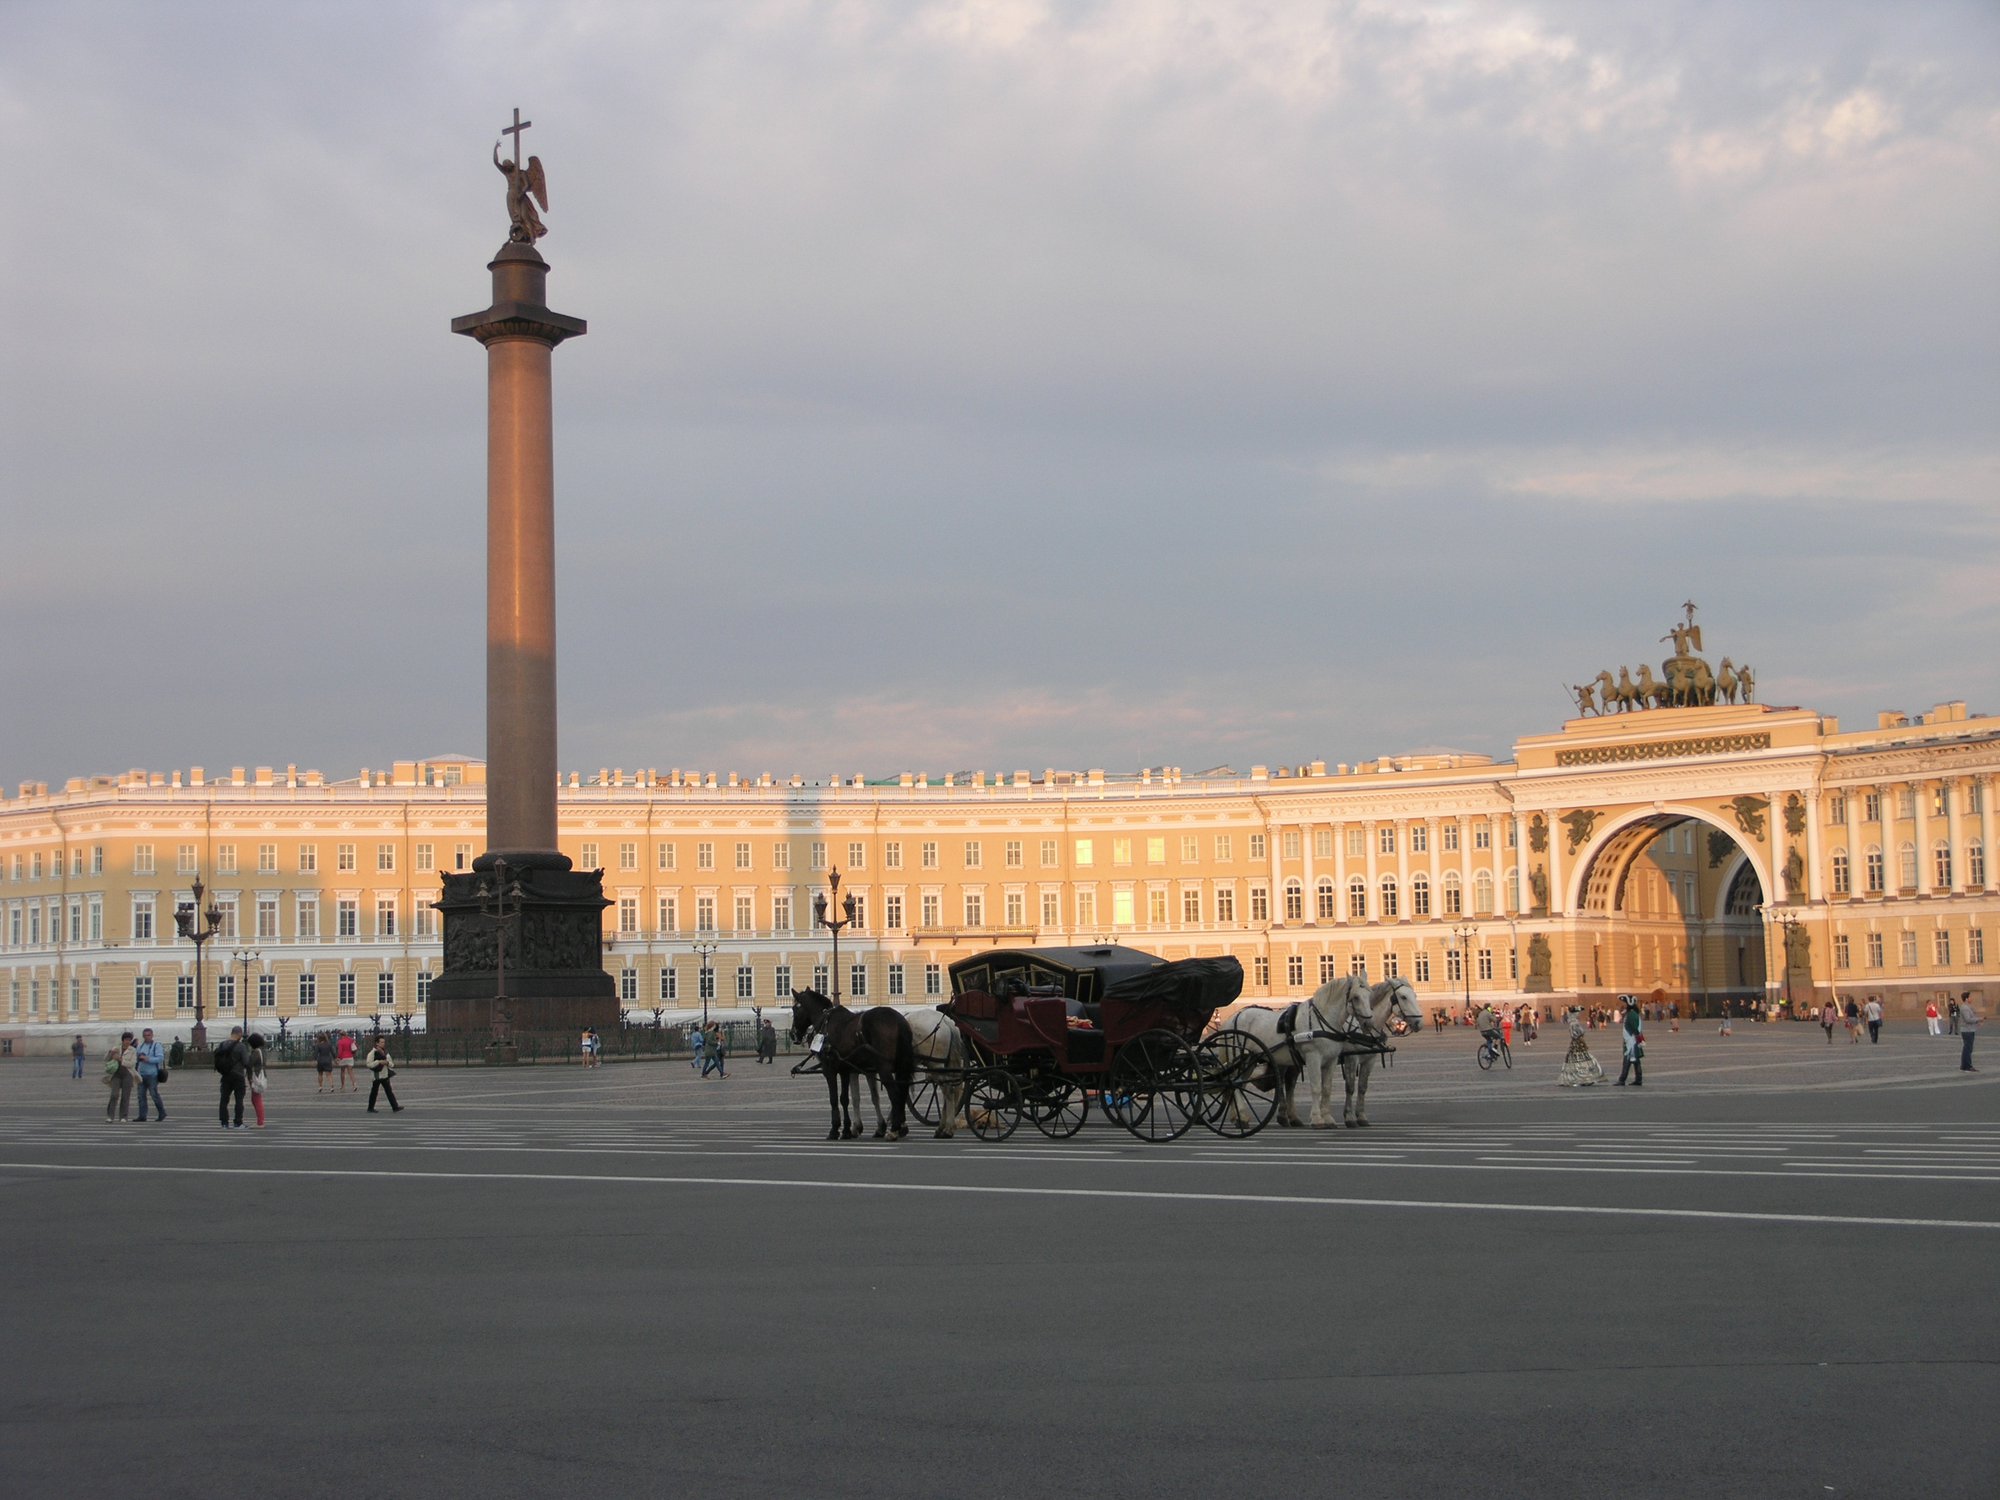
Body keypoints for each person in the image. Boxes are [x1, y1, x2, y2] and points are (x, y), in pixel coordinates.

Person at [1557, 1007, 1602, 1087]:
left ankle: (1584, 1078)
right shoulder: (1574, 1022)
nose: (1579, 1014)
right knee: (1579, 1060)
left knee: (1581, 1060)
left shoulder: (1573, 1022)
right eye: (1577, 1012)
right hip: (1577, 1043)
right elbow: (1575, 1033)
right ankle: (1579, 1078)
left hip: (1577, 1043)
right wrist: (1581, 1033)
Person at [215, 1026, 250, 1129]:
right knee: (239, 1099)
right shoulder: (241, 1046)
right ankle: (238, 1122)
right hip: (238, 1076)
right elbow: (246, 1062)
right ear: (239, 1034)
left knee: (224, 1099)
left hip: (225, 1075)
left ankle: (224, 1122)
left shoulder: (222, 1045)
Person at [134, 1027, 167, 1123]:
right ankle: (142, 1115)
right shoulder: (140, 1046)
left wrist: (148, 1059)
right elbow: (137, 1058)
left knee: (154, 1094)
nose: (146, 1037)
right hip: (141, 1074)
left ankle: (162, 1112)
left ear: (152, 1035)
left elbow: (160, 1058)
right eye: (145, 1035)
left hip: (152, 1074)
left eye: (148, 1035)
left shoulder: (156, 1045)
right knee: (141, 1096)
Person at [104, 1032, 137, 1122]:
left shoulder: (132, 1050)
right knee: (114, 1095)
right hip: (116, 1074)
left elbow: (132, 1063)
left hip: (128, 1074)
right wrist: (110, 1053)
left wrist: (122, 1060)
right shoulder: (116, 1048)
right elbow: (106, 1059)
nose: (128, 1041)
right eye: (126, 1040)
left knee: (125, 1096)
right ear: (123, 1040)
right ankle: (110, 1116)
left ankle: (123, 1116)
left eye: (129, 1040)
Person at [366, 1037, 403, 1112]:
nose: (383, 1044)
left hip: (385, 1075)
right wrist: (379, 1062)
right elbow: (369, 1064)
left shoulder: (386, 1053)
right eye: (381, 1042)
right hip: (377, 1076)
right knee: (374, 1092)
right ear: (377, 1043)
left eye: (384, 1042)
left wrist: (387, 1063)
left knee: (389, 1091)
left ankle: (395, 1107)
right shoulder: (372, 1053)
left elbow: (392, 1064)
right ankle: (370, 1107)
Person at [1615, 995, 1644, 1086]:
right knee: (1636, 1061)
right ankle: (1638, 1079)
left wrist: (1636, 1038)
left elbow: (1634, 1028)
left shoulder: (1631, 1014)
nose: (1624, 1005)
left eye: (1625, 1003)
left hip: (1631, 1041)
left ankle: (1622, 1079)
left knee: (1627, 1060)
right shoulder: (1632, 1013)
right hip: (1632, 1040)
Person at [247, 1033, 269, 1128]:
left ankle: (260, 1122)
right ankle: (260, 1120)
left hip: (256, 1075)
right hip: (261, 1074)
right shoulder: (263, 1050)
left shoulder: (256, 1052)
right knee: (255, 1098)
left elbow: (249, 1063)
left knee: (256, 1098)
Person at [1960, 992, 1981, 1073]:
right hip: (1967, 1030)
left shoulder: (1968, 1007)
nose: (1971, 998)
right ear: (1966, 998)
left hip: (1969, 1030)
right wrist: (1978, 1019)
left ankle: (1964, 1066)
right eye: (1970, 997)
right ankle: (1967, 1066)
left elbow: (1971, 1017)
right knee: (1968, 1049)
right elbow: (1968, 1019)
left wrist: (1977, 1021)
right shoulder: (1965, 1007)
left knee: (1967, 1048)